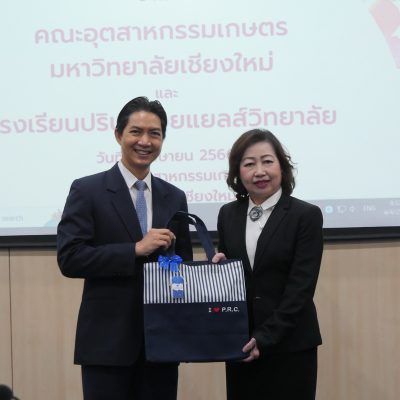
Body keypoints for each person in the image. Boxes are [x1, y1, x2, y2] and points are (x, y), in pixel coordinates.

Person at [57, 96, 193, 400]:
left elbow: (181, 264)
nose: (145, 141)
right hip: (107, 345)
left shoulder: (175, 196)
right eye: (136, 132)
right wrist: (134, 249)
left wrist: (203, 269)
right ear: (119, 135)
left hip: (162, 344)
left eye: (154, 133)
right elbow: (70, 258)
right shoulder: (87, 190)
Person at [212, 129, 323, 400]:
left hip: (291, 344)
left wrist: (266, 336)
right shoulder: (228, 214)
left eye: (267, 161)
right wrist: (218, 271)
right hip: (241, 344)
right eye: (249, 164)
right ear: (238, 172)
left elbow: (301, 287)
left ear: (282, 167)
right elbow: (232, 282)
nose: (259, 171)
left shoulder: (305, 215)